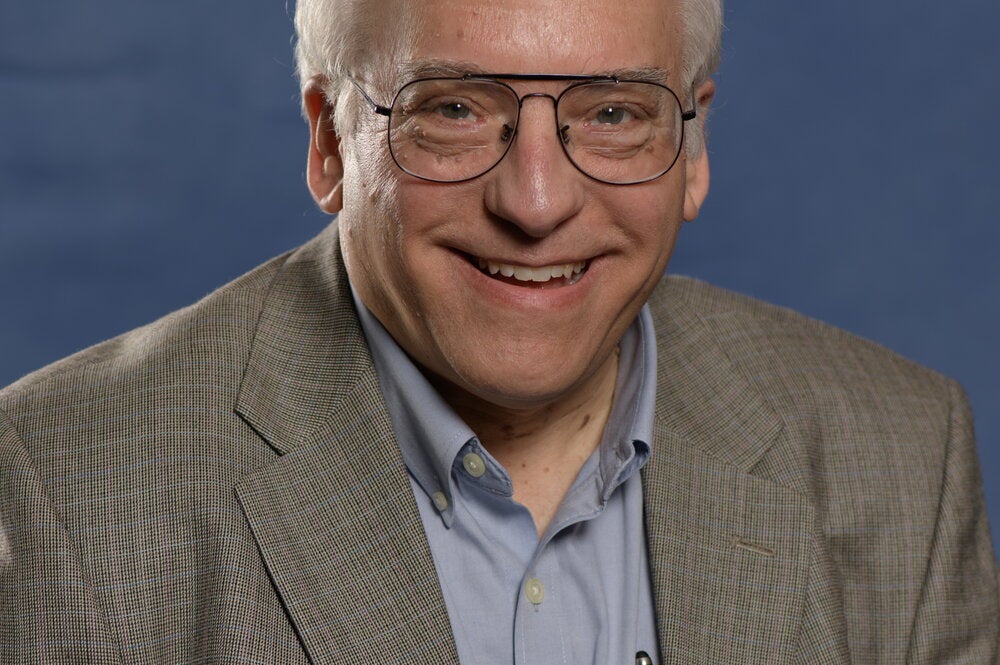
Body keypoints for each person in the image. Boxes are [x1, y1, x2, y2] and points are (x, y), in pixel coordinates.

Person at [1, 0, 996, 662]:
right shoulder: (68, 486)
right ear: (328, 144)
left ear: (692, 148)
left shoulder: (900, 454)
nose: (535, 201)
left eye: (612, 111)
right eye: (455, 110)